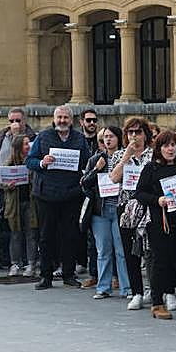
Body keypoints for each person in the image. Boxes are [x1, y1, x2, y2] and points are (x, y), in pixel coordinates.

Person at [27, 105, 89, 289]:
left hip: (71, 194)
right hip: (46, 195)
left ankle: (68, 274)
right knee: (46, 236)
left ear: (71, 120)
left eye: (65, 118)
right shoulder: (43, 137)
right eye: (59, 117)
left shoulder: (79, 138)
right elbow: (30, 161)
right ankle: (45, 276)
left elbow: (86, 162)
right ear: (54, 119)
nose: (62, 121)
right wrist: (42, 162)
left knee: (70, 236)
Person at [135, 130, 176, 319]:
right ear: (159, 149)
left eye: (173, 145)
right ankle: (157, 303)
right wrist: (157, 199)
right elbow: (140, 193)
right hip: (160, 221)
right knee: (161, 262)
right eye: (166, 145)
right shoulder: (151, 168)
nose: (170, 149)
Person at [82, 125, 131, 301]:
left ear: (119, 138)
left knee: (121, 251)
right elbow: (85, 184)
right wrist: (96, 169)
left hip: (119, 209)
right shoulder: (96, 159)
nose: (108, 140)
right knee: (103, 251)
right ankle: (103, 287)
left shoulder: (126, 158)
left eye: (111, 136)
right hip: (100, 211)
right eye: (105, 137)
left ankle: (127, 287)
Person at [111, 117, 153, 308]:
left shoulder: (152, 155)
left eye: (138, 132)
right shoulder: (119, 155)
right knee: (130, 251)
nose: (134, 136)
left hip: (147, 207)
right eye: (130, 132)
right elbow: (114, 178)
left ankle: (153, 288)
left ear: (145, 134)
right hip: (126, 207)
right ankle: (136, 291)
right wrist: (126, 157)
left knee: (150, 250)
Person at [0, 108, 28, 265]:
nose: (14, 124)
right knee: (9, 228)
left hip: (25, 192)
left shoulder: (31, 138)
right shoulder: (1, 139)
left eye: (18, 120)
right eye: (11, 121)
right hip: (6, 191)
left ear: (24, 121)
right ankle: (9, 260)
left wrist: (18, 137)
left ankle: (27, 260)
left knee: (28, 229)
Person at [1, 134, 38, 277]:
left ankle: (31, 264)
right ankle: (15, 263)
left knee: (31, 234)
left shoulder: (32, 161)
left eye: (28, 143)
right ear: (18, 147)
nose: (28, 146)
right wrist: (7, 185)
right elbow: (1, 180)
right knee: (15, 234)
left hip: (30, 203)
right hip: (14, 204)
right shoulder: (9, 162)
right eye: (25, 144)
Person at [78, 109, 101, 286]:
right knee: (91, 239)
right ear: (82, 122)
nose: (92, 123)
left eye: (94, 120)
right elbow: (86, 180)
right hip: (86, 197)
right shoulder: (79, 142)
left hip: (104, 201)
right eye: (88, 120)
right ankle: (92, 273)